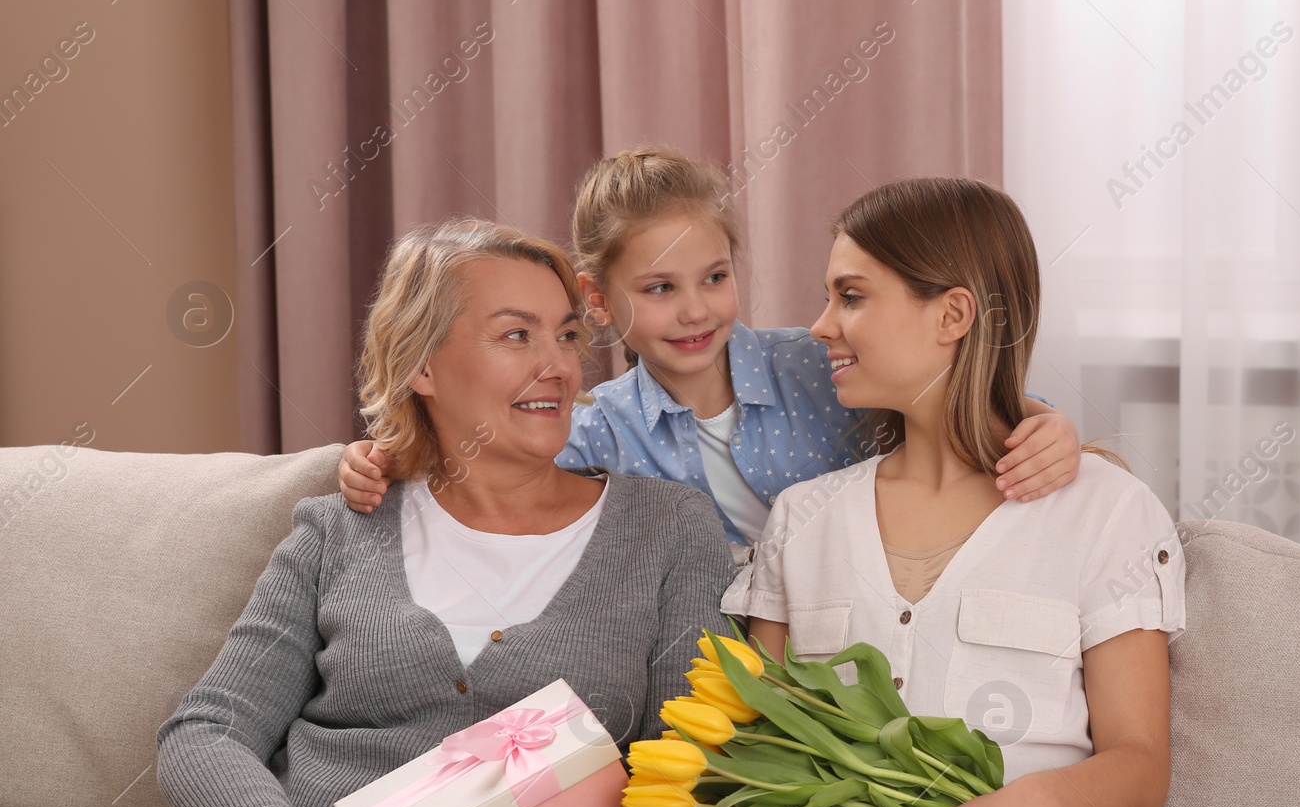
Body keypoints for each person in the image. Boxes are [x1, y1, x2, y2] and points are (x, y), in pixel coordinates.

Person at [79, 219, 733, 807]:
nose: (559, 364)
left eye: (567, 334)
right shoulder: (340, 527)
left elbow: (689, 775)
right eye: (515, 334)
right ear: (422, 364)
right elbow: (203, 733)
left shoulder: (671, 530)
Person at [650, 178, 1185, 807]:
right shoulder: (806, 519)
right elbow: (761, 745)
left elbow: (1141, 763)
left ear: (954, 315)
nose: (821, 324)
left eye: (851, 296)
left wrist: (1031, 806)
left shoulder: (1105, 509)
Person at [336, 146, 1084, 549]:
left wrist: (1040, 418)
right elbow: (483, 461)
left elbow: (943, 392)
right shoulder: (597, 428)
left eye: (716, 277)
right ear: (598, 301)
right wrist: (377, 459)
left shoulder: (815, 362)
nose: (696, 309)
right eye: (659, 289)